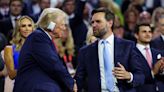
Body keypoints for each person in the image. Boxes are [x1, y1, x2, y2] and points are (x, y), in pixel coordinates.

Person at [74, 8, 144, 92]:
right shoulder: (85, 51)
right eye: (92, 22)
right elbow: (78, 80)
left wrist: (129, 76)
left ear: (110, 23)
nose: (94, 25)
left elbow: (140, 76)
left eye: (98, 21)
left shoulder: (128, 46)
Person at [13, 8, 74, 92]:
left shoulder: (43, 38)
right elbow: (53, 64)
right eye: (62, 24)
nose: (64, 28)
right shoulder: (38, 37)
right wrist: (71, 83)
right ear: (51, 25)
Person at [134, 23, 164, 92]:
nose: (148, 34)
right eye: (144, 32)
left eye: (150, 32)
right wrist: (153, 72)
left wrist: (162, 71)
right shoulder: (132, 53)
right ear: (136, 35)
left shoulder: (159, 53)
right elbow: (134, 77)